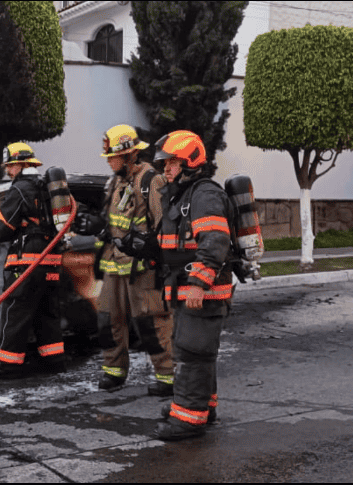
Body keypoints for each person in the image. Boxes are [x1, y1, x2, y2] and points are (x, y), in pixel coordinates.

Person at [153, 130, 233, 440]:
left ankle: (189, 418)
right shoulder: (182, 195)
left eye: (171, 163)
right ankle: (200, 406)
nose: (166, 169)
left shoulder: (204, 195)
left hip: (202, 290)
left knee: (192, 352)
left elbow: (214, 240)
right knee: (198, 351)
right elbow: (173, 244)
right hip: (185, 288)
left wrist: (199, 283)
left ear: (189, 161)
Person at [93, 124, 174, 395]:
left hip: (143, 268)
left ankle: (167, 376)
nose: (108, 161)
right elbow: (113, 220)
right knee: (107, 320)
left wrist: (151, 248)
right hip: (115, 265)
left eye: (112, 156)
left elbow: (165, 225)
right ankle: (114, 372)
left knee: (151, 323)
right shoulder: (117, 181)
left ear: (128, 155)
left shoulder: (152, 180)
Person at [0, 142, 67, 379]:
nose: (8, 171)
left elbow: (1, 228)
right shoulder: (46, 187)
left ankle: (8, 366)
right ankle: (55, 361)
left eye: (10, 166)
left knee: (15, 313)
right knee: (47, 313)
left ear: (20, 164)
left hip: (26, 263)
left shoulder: (20, 189)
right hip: (51, 262)